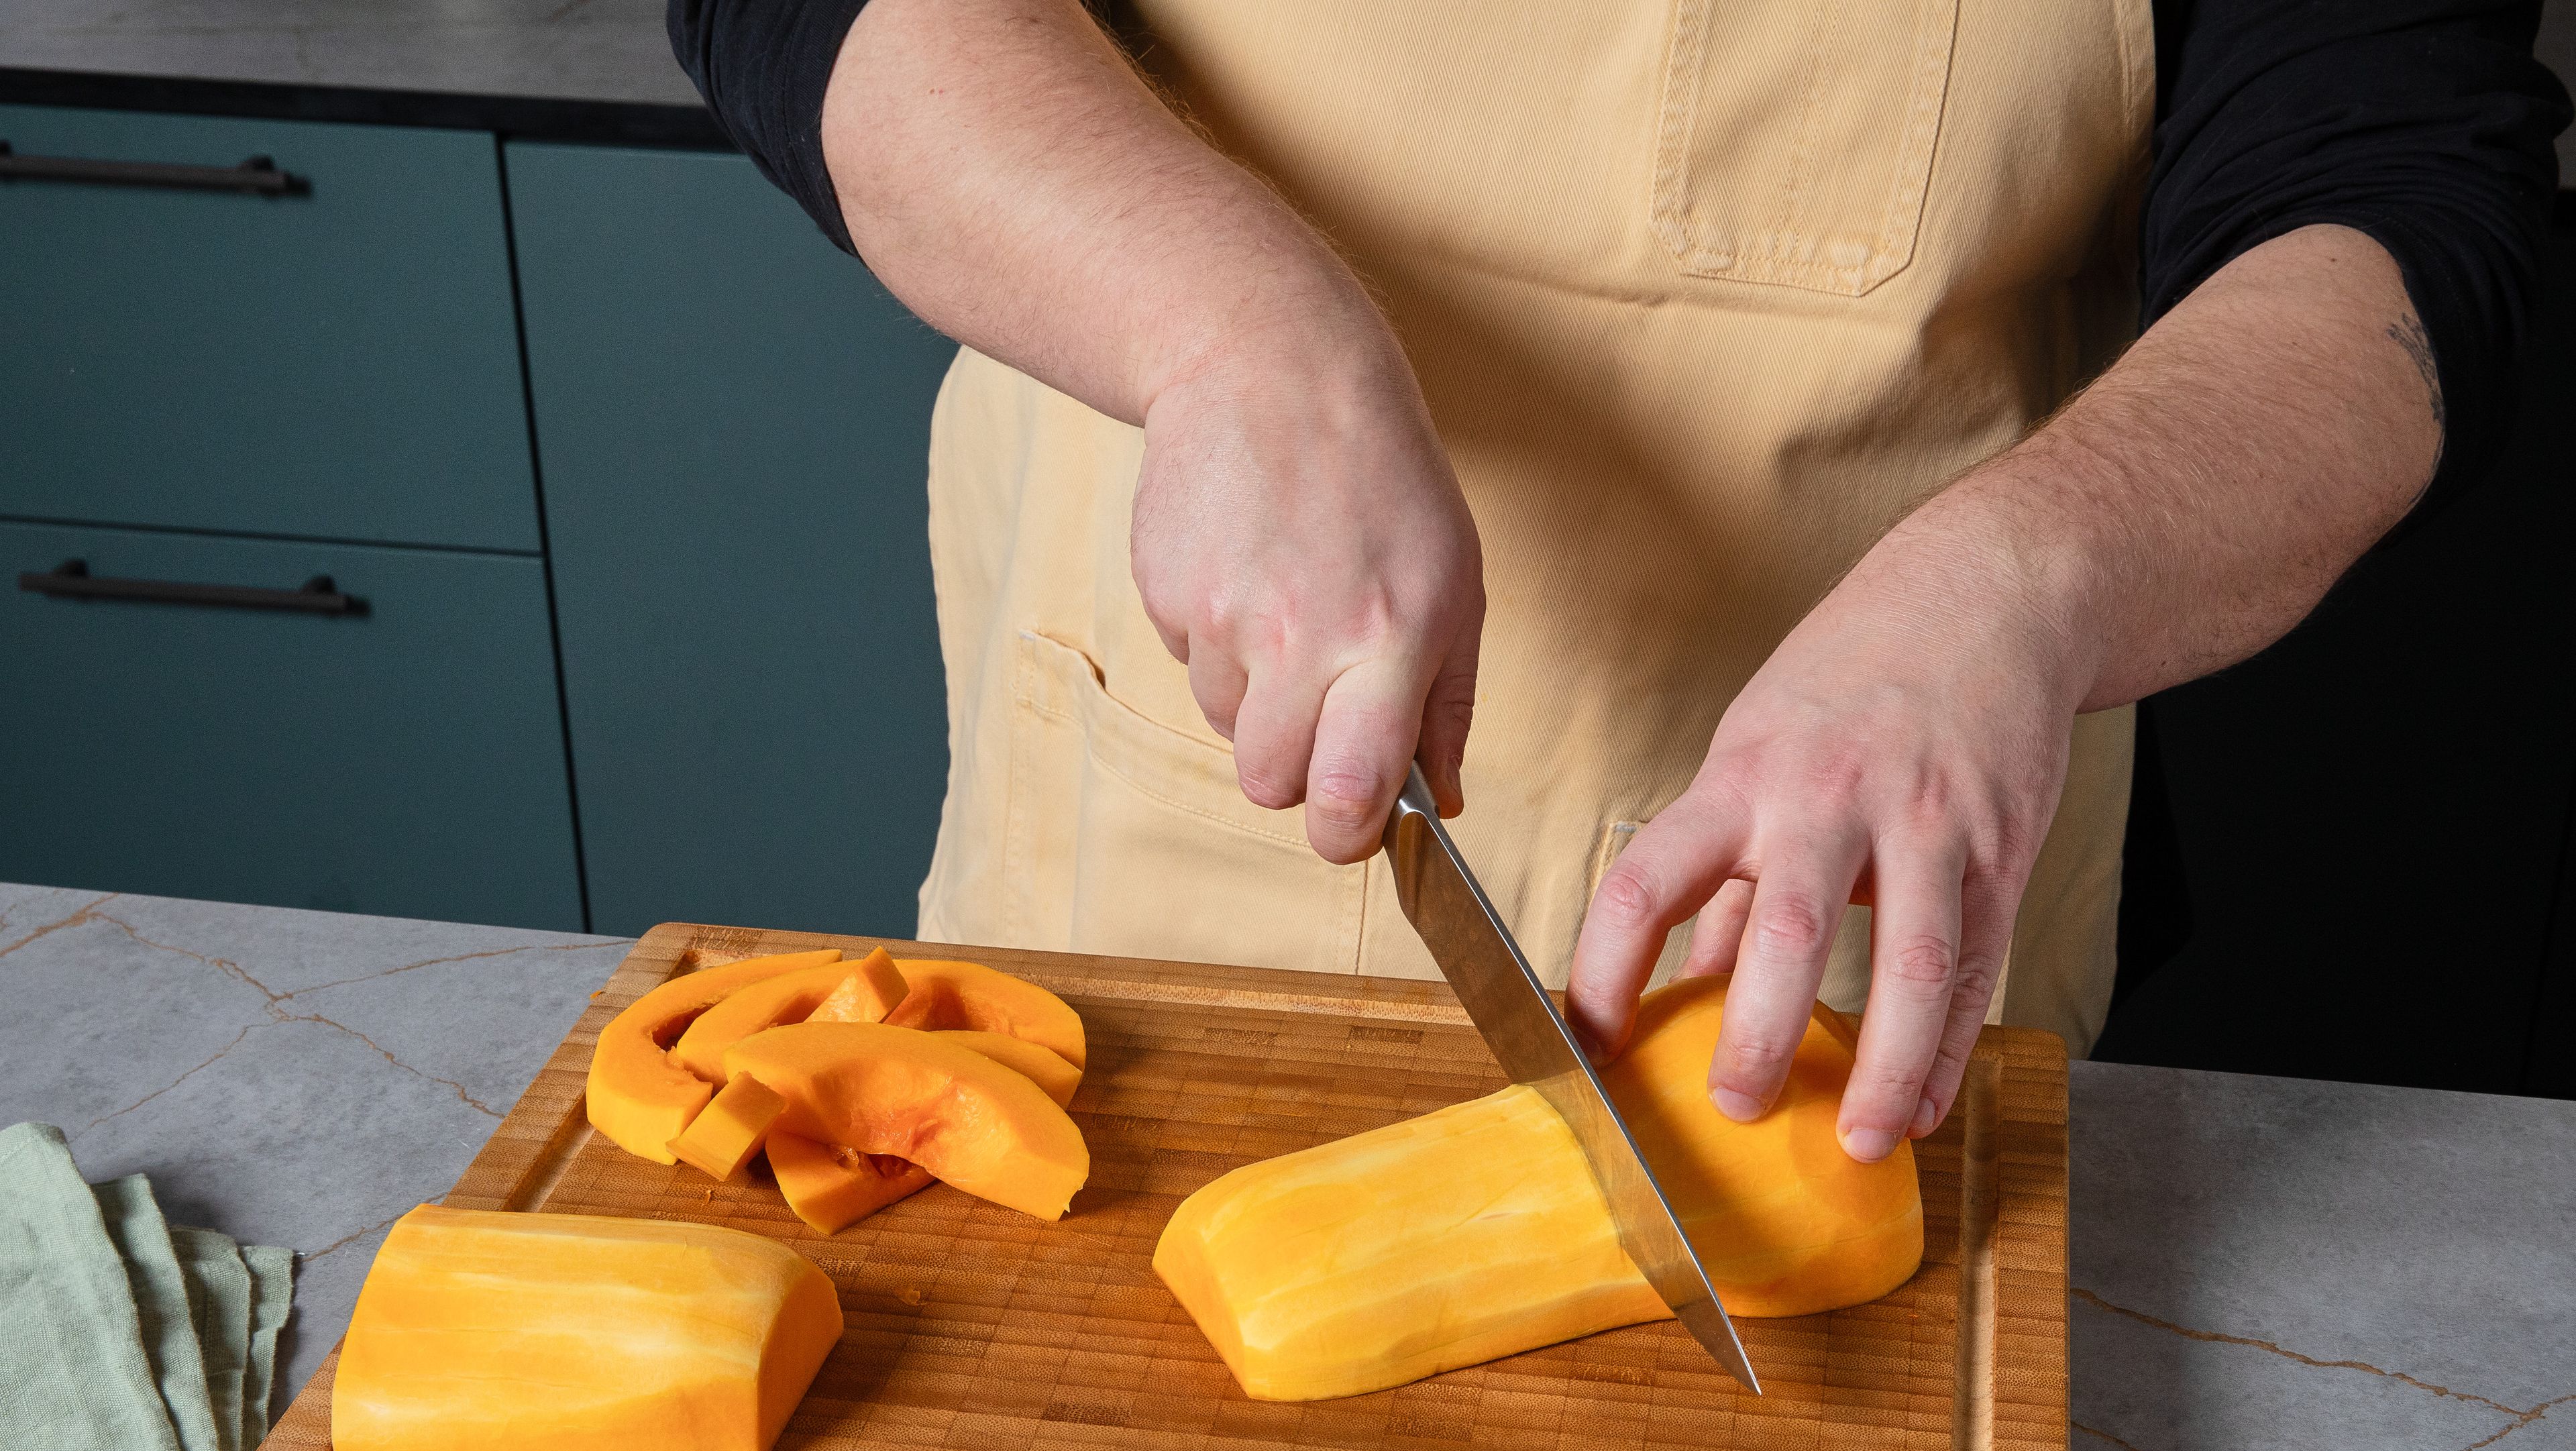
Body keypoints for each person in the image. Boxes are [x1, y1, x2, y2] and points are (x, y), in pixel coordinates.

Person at [672, 0, 2565, 1160]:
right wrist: (1221, 332)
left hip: (1848, 932)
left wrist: (2024, 574)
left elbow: (2398, 193)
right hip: (1151, 854)